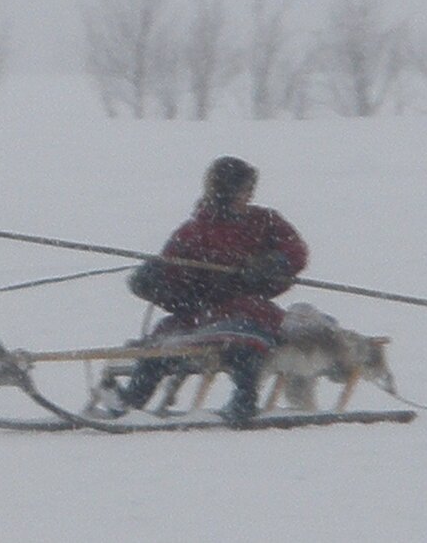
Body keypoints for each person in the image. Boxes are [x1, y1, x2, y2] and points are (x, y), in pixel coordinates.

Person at [109, 155, 309, 421]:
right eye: (243, 190)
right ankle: (130, 403)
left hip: (246, 305)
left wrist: (273, 262)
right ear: (225, 191)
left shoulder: (265, 221)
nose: (248, 196)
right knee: (162, 343)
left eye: (250, 190)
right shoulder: (193, 232)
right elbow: (172, 273)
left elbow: (295, 251)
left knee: (245, 337)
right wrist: (150, 281)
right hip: (201, 311)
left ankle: (244, 399)